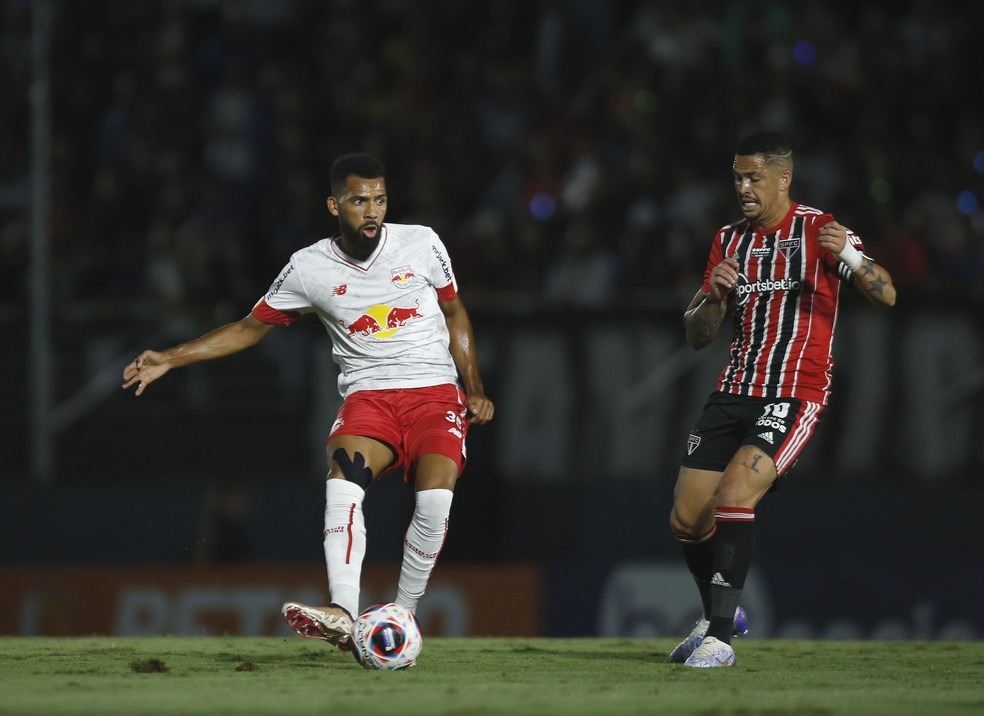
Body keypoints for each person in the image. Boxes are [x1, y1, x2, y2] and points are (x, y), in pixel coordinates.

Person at [122, 153, 494, 654]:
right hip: (368, 398)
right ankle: (343, 610)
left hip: (433, 393)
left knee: (434, 500)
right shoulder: (308, 267)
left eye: (380, 200)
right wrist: (171, 357)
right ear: (333, 204)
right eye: (359, 201)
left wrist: (473, 385)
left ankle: (402, 615)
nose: (372, 211)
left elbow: (455, 312)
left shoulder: (422, 243)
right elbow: (250, 328)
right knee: (342, 484)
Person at [668, 130, 895, 668]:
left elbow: (886, 293)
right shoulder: (728, 240)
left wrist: (852, 259)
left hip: (794, 393)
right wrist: (713, 299)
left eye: (754, 178)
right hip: (732, 390)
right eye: (738, 178)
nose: (744, 188)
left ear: (783, 179)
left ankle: (720, 640)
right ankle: (716, 615)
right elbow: (696, 334)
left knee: (737, 492)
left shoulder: (820, 230)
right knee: (686, 521)